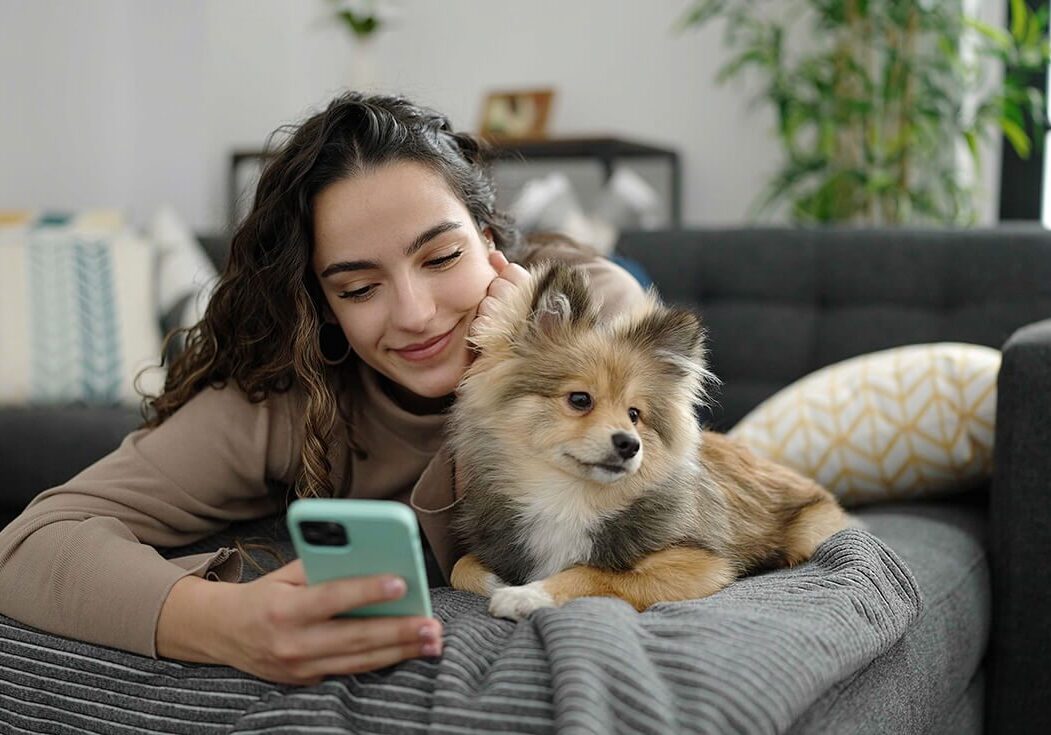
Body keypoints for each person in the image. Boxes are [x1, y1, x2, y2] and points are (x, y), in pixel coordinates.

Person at [0, 92, 645, 685]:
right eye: (359, 288)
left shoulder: (594, 317)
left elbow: (621, 514)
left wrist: (506, 367)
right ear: (325, 306)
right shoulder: (290, 393)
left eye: (443, 258)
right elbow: (30, 544)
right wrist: (219, 623)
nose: (415, 314)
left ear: (488, 239)